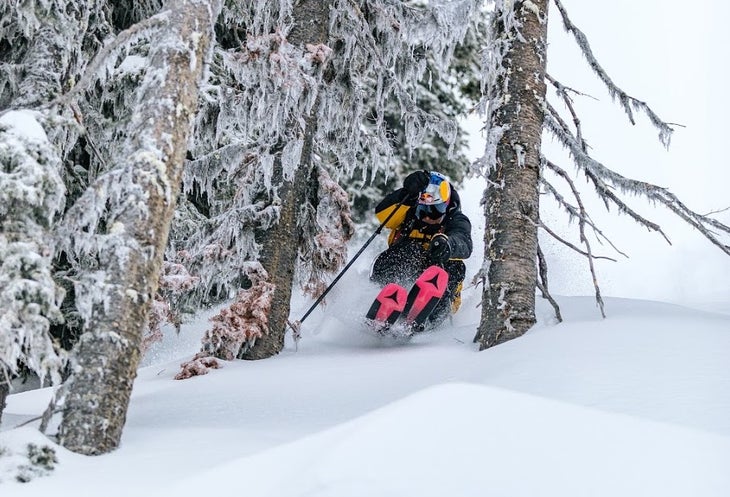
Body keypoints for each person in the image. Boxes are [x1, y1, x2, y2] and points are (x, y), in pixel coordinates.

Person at [370, 170, 472, 327]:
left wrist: (448, 244)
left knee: (450, 267)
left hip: (441, 290)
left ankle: (426, 315)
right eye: (423, 210)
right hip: (404, 276)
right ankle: (387, 303)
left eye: (435, 210)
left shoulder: (456, 219)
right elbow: (382, 215)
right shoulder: (407, 215)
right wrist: (406, 193)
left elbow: (464, 242)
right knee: (407, 251)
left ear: (445, 206)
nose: (427, 217)